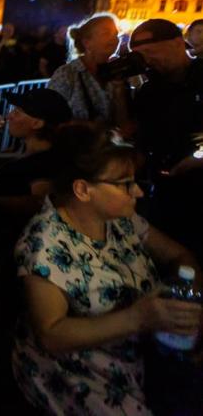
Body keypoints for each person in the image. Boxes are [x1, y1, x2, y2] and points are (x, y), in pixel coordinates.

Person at [12, 122, 201, 415]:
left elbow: (180, 255)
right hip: (79, 370)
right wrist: (139, 318)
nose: (137, 191)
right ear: (83, 189)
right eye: (125, 183)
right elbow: (52, 335)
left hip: (145, 350)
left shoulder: (121, 220)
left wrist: (185, 300)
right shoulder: (43, 246)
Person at [129, 18, 203, 257]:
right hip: (165, 191)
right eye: (141, 57)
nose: (148, 61)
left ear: (176, 43)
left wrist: (198, 157)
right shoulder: (149, 92)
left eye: (151, 52)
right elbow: (134, 134)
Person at [0, 88, 72, 221]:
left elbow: (37, 204)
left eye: (17, 112)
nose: (9, 116)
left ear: (37, 123)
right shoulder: (61, 155)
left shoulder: (31, 167)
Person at [48, 13, 128, 123]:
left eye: (116, 34)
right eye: (106, 33)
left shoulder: (119, 71)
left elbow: (123, 122)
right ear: (87, 43)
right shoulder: (67, 73)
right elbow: (49, 114)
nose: (114, 38)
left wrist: (119, 92)